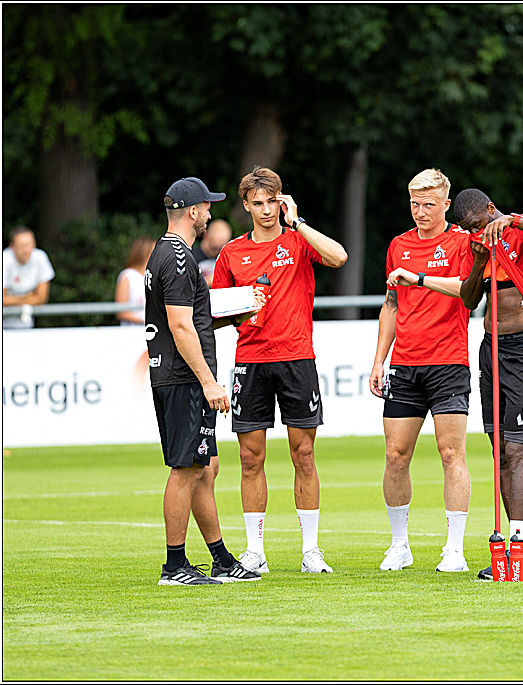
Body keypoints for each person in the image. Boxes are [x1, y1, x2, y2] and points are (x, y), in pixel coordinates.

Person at [213, 165, 348, 575]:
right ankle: (255, 551)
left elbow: (339, 257)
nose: (267, 210)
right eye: (258, 203)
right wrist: (241, 311)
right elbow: (215, 313)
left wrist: (299, 221)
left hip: (296, 359)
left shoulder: (298, 239)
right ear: (246, 206)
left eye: (273, 201)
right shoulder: (231, 253)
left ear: (282, 201)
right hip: (251, 361)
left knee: (303, 454)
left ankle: (311, 551)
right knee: (249, 458)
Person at [148, 176, 264, 585]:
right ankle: (174, 566)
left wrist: (236, 315)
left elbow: (191, 319)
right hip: (183, 377)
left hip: (175, 373)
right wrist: (209, 381)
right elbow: (181, 327)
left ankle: (220, 558)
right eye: (207, 208)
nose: (210, 215)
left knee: (204, 467)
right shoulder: (179, 257)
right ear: (193, 211)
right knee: (186, 468)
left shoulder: (164, 252)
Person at [452, 187, 523, 579]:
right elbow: (469, 300)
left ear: (491, 209)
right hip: (492, 348)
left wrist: (513, 221)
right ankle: (517, 552)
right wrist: (477, 261)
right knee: (500, 450)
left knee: (518, 449)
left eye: (477, 223)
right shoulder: (475, 244)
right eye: (467, 228)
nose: (474, 231)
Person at [368, 168, 474, 573]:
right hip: (406, 365)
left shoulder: (461, 242)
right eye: (414, 203)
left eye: (428, 204)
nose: (420, 211)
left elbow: (468, 290)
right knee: (395, 455)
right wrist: (379, 360)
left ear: (446, 204)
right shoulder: (399, 245)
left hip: (449, 363)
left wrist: (421, 278)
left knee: (451, 453)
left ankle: (454, 549)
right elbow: (391, 305)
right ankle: (400, 545)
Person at [2, 226, 55, 329]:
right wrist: (26, 297)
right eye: (21, 246)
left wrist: (11, 300)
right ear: (12, 247)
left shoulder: (40, 258)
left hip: (27, 325)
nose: (26, 250)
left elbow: (41, 299)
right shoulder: (4, 260)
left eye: (29, 244)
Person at [115, 237, 156, 326]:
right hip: (133, 331)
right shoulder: (127, 276)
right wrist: (145, 321)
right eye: (154, 251)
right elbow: (121, 312)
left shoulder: (154, 276)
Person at [193, 219, 233, 286]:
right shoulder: (192, 257)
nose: (218, 251)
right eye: (215, 248)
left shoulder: (227, 260)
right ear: (206, 236)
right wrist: (208, 281)